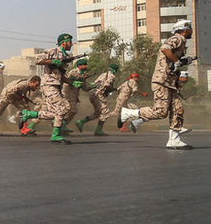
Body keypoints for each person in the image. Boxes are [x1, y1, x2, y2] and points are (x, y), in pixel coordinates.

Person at [119, 20, 195, 149]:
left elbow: (170, 60)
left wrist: (182, 61)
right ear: (185, 29)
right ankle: (128, 114)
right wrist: (177, 61)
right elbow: (165, 49)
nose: (192, 31)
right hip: (162, 80)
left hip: (170, 82)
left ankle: (174, 140)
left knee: (177, 109)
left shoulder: (181, 42)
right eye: (190, 29)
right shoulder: (178, 38)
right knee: (161, 112)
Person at [18, 33, 76, 144]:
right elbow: (38, 60)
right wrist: (52, 61)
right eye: (69, 41)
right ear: (63, 42)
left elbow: (61, 75)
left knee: (60, 110)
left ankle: (28, 115)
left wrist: (72, 82)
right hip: (49, 84)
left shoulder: (64, 56)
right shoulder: (53, 51)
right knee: (60, 109)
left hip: (56, 84)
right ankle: (55, 135)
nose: (71, 44)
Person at [75, 63, 118, 136]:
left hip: (93, 93)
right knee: (105, 111)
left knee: (97, 113)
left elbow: (97, 83)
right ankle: (99, 130)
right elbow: (106, 85)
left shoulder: (103, 74)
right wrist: (110, 89)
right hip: (98, 94)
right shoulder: (112, 76)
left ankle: (81, 122)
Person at [60, 58, 92, 134]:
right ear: (79, 66)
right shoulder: (73, 72)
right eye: (84, 65)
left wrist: (91, 86)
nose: (86, 66)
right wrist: (80, 79)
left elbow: (85, 88)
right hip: (68, 93)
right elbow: (69, 80)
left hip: (74, 95)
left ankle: (62, 126)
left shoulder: (83, 74)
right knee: (69, 110)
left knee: (73, 111)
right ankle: (61, 126)